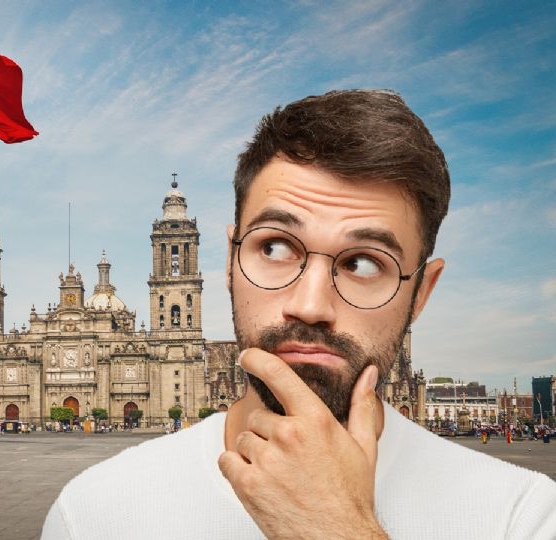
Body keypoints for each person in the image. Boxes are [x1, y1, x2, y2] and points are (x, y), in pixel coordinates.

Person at [41, 90, 556, 539]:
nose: (310, 305)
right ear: (228, 262)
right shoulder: (90, 515)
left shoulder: (526, 519)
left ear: (421, 293)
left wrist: (339, 530)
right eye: (276, 248)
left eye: (362, 262)